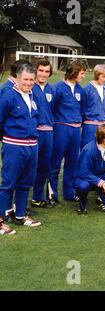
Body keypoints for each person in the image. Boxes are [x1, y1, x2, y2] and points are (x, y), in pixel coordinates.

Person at [0, 63, 41, 236]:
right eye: (25, 79)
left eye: (31, 79)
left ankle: (20, 215)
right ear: (17, 78)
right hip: (14, 146)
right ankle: (0, 221)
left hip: (32, 147)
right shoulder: (8, 96)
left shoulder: (33, 95)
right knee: (8, 184)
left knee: (25, 183)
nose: (29, 83)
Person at [48, 60, 86, 205]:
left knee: (72, 162)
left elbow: (81, 109)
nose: (83, 76)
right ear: (74, 73)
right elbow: (51, 109)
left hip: (76, 130)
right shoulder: (57, 88)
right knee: (55, 162)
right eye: (81, 73)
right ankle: (52, 194)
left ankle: (69, 193)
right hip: (61, 128)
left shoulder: (79, 89)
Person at [31, 59, 56, 208]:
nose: (43, 74)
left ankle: (37, 197)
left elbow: (52, 110)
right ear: (35, 71)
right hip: (34, 133)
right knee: (29, 166)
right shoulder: (29, 87)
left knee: (44, 166)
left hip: (48, 133)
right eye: (40, 70)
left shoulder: (51, 89)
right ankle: (16, 201)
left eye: (46, 71)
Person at [80, 64, 105, 150]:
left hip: (104, 125)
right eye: (103, 76)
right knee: (88, 150)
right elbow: (82, 108)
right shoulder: (86, 89)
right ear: (97, 75)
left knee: (102, 151)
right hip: (91, 125)